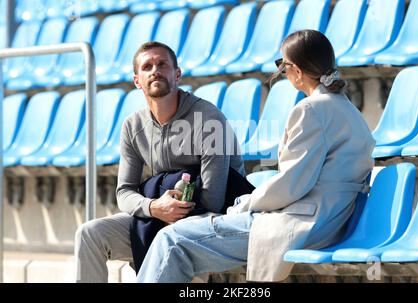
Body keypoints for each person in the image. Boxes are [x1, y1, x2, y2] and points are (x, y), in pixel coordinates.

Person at [136, 30, 376, 283]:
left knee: (172, 239)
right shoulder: (348, 109)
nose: (282, 72)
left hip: (305, 223)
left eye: (282, 66)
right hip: (331, 220)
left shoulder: (311, 110)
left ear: (295, 71)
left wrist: (246, 203)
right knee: (181, 245)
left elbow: (292, 184)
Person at [74, 41, 245, 282]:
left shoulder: (208, 118)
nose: (155, 70)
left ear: (177, 74)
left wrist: (170, 210)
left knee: (174, 238)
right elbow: (124, 192)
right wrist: (154, 208)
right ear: (137, 80)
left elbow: (213, 199)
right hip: (158, 214)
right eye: (147, 66)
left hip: (213, 217)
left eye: (162, 64)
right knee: (89, 233)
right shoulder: (133, 126)